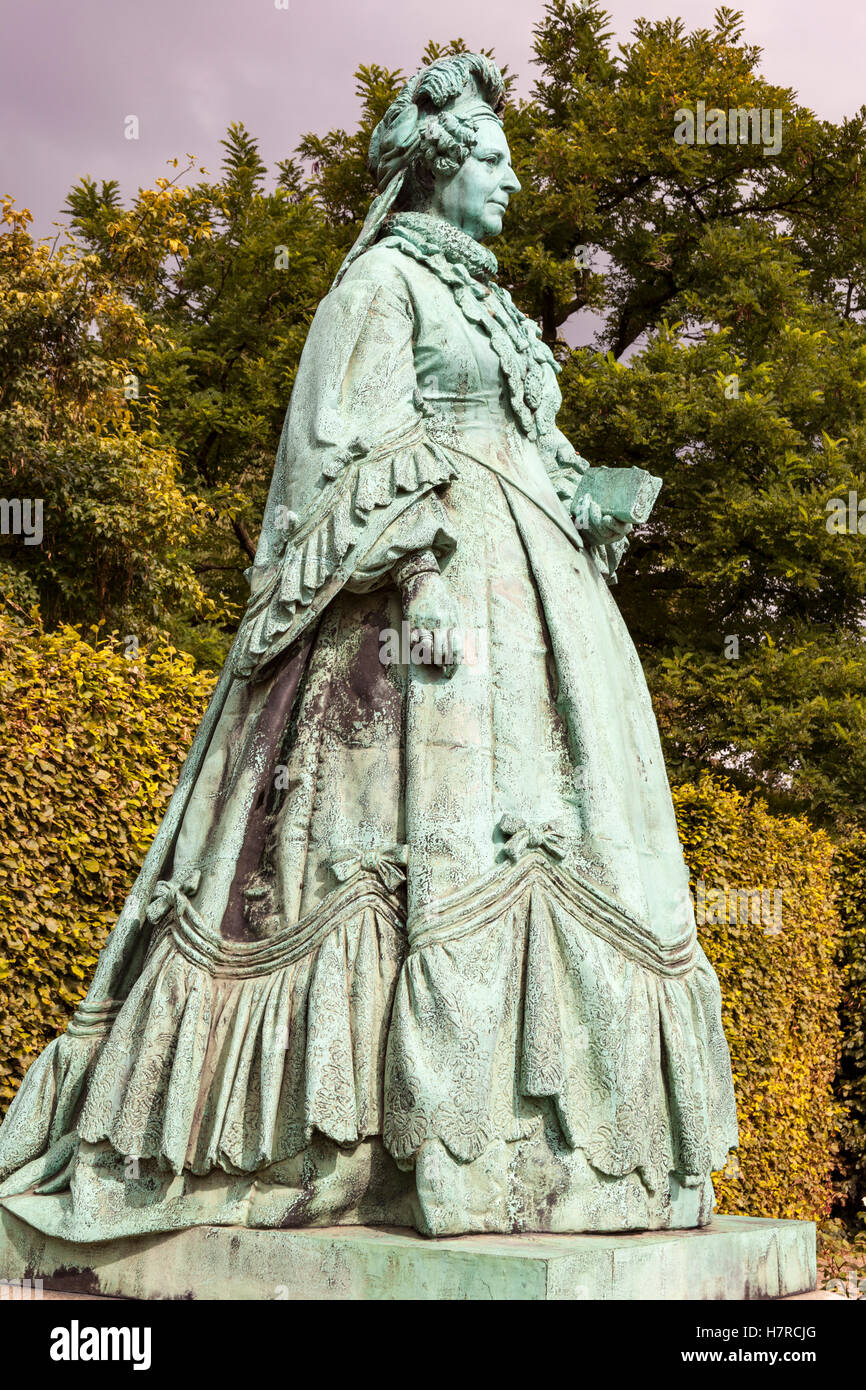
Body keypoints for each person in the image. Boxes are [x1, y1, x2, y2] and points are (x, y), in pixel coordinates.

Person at [0, 52, 737, 1239]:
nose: (509, 184)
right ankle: (382, 1145)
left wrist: (586, 491)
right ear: (438, 168)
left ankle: (552, 1152)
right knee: (399, 872)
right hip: (417, 609)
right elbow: (332, 458)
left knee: (580, 848)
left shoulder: (487, 303)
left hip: (535, 611)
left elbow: (529, 448)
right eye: (492, 162)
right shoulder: (379, 289)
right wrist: (417, 530)